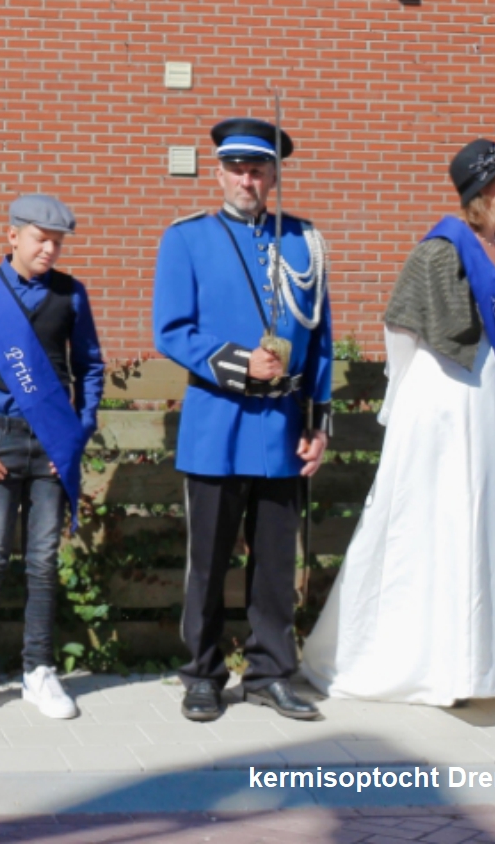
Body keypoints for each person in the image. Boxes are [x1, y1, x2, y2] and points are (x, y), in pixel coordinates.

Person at [304, 138, 495, 707]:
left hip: (489, 404)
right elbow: (401, 330)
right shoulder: (439, 251)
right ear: (483, 189)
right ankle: (440, 668)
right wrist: (404, 397)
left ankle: (489, 666)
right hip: (442, 401)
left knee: (485, 519)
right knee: (438, 523)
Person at [152, 118, 332, 724]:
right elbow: (171, 330)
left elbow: (321, 341)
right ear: (219, 171)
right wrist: (237, 364)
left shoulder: (305, 241)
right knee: (209, 561)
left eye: (257, 169)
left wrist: (319, 423)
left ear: (274, 175)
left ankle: (270, 672)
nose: (245, 179)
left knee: (277, 563)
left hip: (282, 427)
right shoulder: (186, 238)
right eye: (235, 167)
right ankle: (201, 674)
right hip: (217, 422)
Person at [0, 193, 104, 722]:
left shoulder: (72, 296)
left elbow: (91, 371)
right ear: (12, 236)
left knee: (42, 562)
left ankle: (38, 670)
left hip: (51, 445)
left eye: (57, 241)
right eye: (41, 238)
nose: (50, 249)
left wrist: (75, 438)